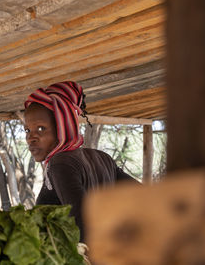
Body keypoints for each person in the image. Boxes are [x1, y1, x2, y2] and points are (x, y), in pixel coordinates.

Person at [24, 81, 139, 242]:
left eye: (41, 128)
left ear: (62, 127)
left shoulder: (60, 164)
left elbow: (82, 227)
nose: (30, 137)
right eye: (27, 129)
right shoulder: (102, 157)